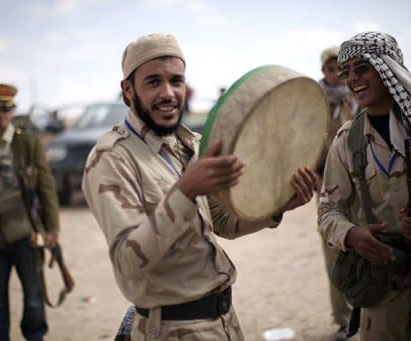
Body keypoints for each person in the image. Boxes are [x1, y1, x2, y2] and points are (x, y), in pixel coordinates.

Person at [82, 33, 317, 341]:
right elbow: (128, 262)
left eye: (176, 81)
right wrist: (185, 191)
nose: (168, 93)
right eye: (153, 82)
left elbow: (221, 222)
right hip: (170, 329)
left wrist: (276, 207)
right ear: (128, 90)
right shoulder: (111, 158)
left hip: (223, 322)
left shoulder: (190, 144)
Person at [318, 31, 411, 340]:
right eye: (346, 70)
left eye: (362, 67)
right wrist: (352, 235)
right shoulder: (347, 141)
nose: (353, 78)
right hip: (384, 278)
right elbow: (328, 212)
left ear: (388, 67)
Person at [0, 82, 60, 341]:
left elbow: (46, 187)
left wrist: (52, 228)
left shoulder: (28, 144)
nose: (1, 117)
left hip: (26, 233)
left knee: (33, 298)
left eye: (7, 111)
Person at [315, 46, 357, 340]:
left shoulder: (358, 97)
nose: (338, 75)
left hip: (362, 185)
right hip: (329, 188)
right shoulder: (314, 103)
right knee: (334, 255)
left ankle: (365, 313)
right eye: (333, 69)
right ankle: (343, 320)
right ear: (324, 72)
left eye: (343, 69)